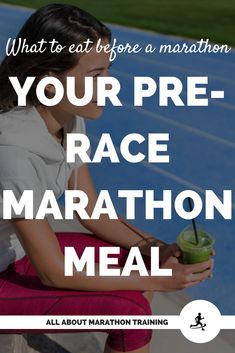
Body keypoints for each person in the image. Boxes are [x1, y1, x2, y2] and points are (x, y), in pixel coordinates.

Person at [0, 4, 214, 353]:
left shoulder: (66, 119)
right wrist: (156, 280)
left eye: (107, 71)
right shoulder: (13, 152)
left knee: (143, 260)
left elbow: (89, 207)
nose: (108, 86)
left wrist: (157, 251)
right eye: (95, 75)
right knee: (131, 312)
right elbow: (53, 271)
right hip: (6, 275)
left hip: (18, 256)